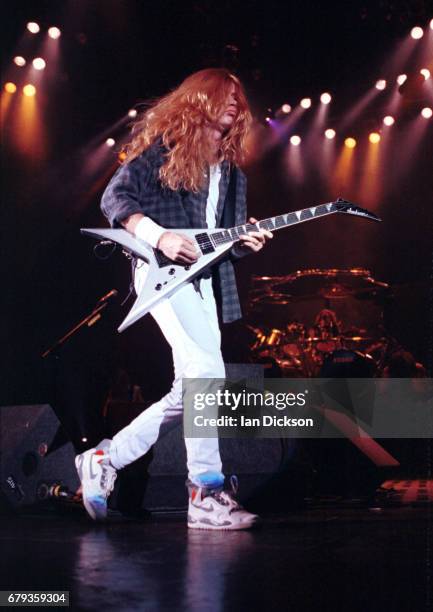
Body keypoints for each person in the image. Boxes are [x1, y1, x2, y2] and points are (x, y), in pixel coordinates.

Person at [75, 68, 272, 529]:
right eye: (226, 94)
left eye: (239, 99)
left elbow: (224, 243)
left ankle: (104, 459)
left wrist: (244, 243)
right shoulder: (163, 151)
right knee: (207, 374)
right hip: (163, 274)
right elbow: (115, 197)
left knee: (191, 390)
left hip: (204, 282)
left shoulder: (233, 175)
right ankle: (205, 491)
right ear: (199, 98)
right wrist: (160, 237)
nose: (235, 103)